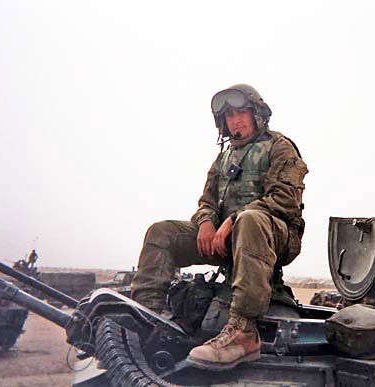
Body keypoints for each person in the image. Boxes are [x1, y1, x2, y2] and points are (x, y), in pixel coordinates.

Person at [130, 84, 308, 370]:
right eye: (229, 116)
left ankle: (243, 333)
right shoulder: (224, 158)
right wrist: (205, 223)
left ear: (257, 114)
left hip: (274, 237)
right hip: (227, 242)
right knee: (161, 232)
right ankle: (148, 317)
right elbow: (207, 202)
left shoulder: (280, 147)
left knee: (250, 220)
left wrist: (234, 219)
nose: (235, 120)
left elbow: (285, 200)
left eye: (241, 113)